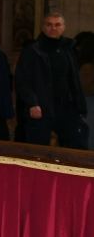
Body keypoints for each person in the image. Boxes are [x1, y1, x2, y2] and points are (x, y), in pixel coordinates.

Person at [15, 12, 89, 149]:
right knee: (38, 150)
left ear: (63, 27)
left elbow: (74, 81)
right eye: (49, 25)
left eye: (57, 25)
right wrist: (32, 103)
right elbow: (22, 80)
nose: (53, 28)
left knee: (76, 148)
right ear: (43, 27)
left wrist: (80, 107)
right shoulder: (32, 51)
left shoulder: (69, 49)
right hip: (41, 107)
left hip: (67, 107)